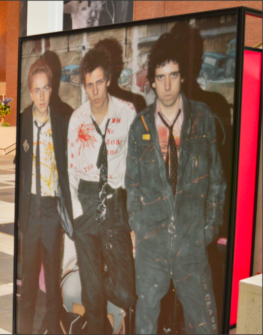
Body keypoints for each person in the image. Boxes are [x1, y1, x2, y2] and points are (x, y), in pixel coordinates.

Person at [125, 32, 226, 334]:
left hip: (191, 245)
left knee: (203, 323)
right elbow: (131, 183)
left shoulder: (204, 119)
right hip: (151, 247)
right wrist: (137, 227)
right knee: (145, 323)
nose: (167, 85)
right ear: (152, 82)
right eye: (160, 77)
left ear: (183, 77)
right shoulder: (140, 125)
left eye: (173, 75)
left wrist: (208, 229)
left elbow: (217, 182)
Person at [67, 42, 137, 333]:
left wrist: (132, 219)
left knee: (126, 293)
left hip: (116, 202)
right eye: (89, 85)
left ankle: (100, 276)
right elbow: (70, 171)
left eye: (99, 83)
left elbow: (133, 169)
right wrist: (78, 215)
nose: (94, 92)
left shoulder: (128, 112)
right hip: (86, 199)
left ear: (109, 79)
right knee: (91, 296)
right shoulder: (78, 119)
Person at [17, 58, 73, 334]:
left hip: (52, 213)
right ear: (30, 92)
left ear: (52, 89)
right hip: (30, 214)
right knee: (27, 289)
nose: (42, 96)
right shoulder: (23, 121)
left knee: (53, 288)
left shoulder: (62, 122)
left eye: (46, 89)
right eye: (36, 90)